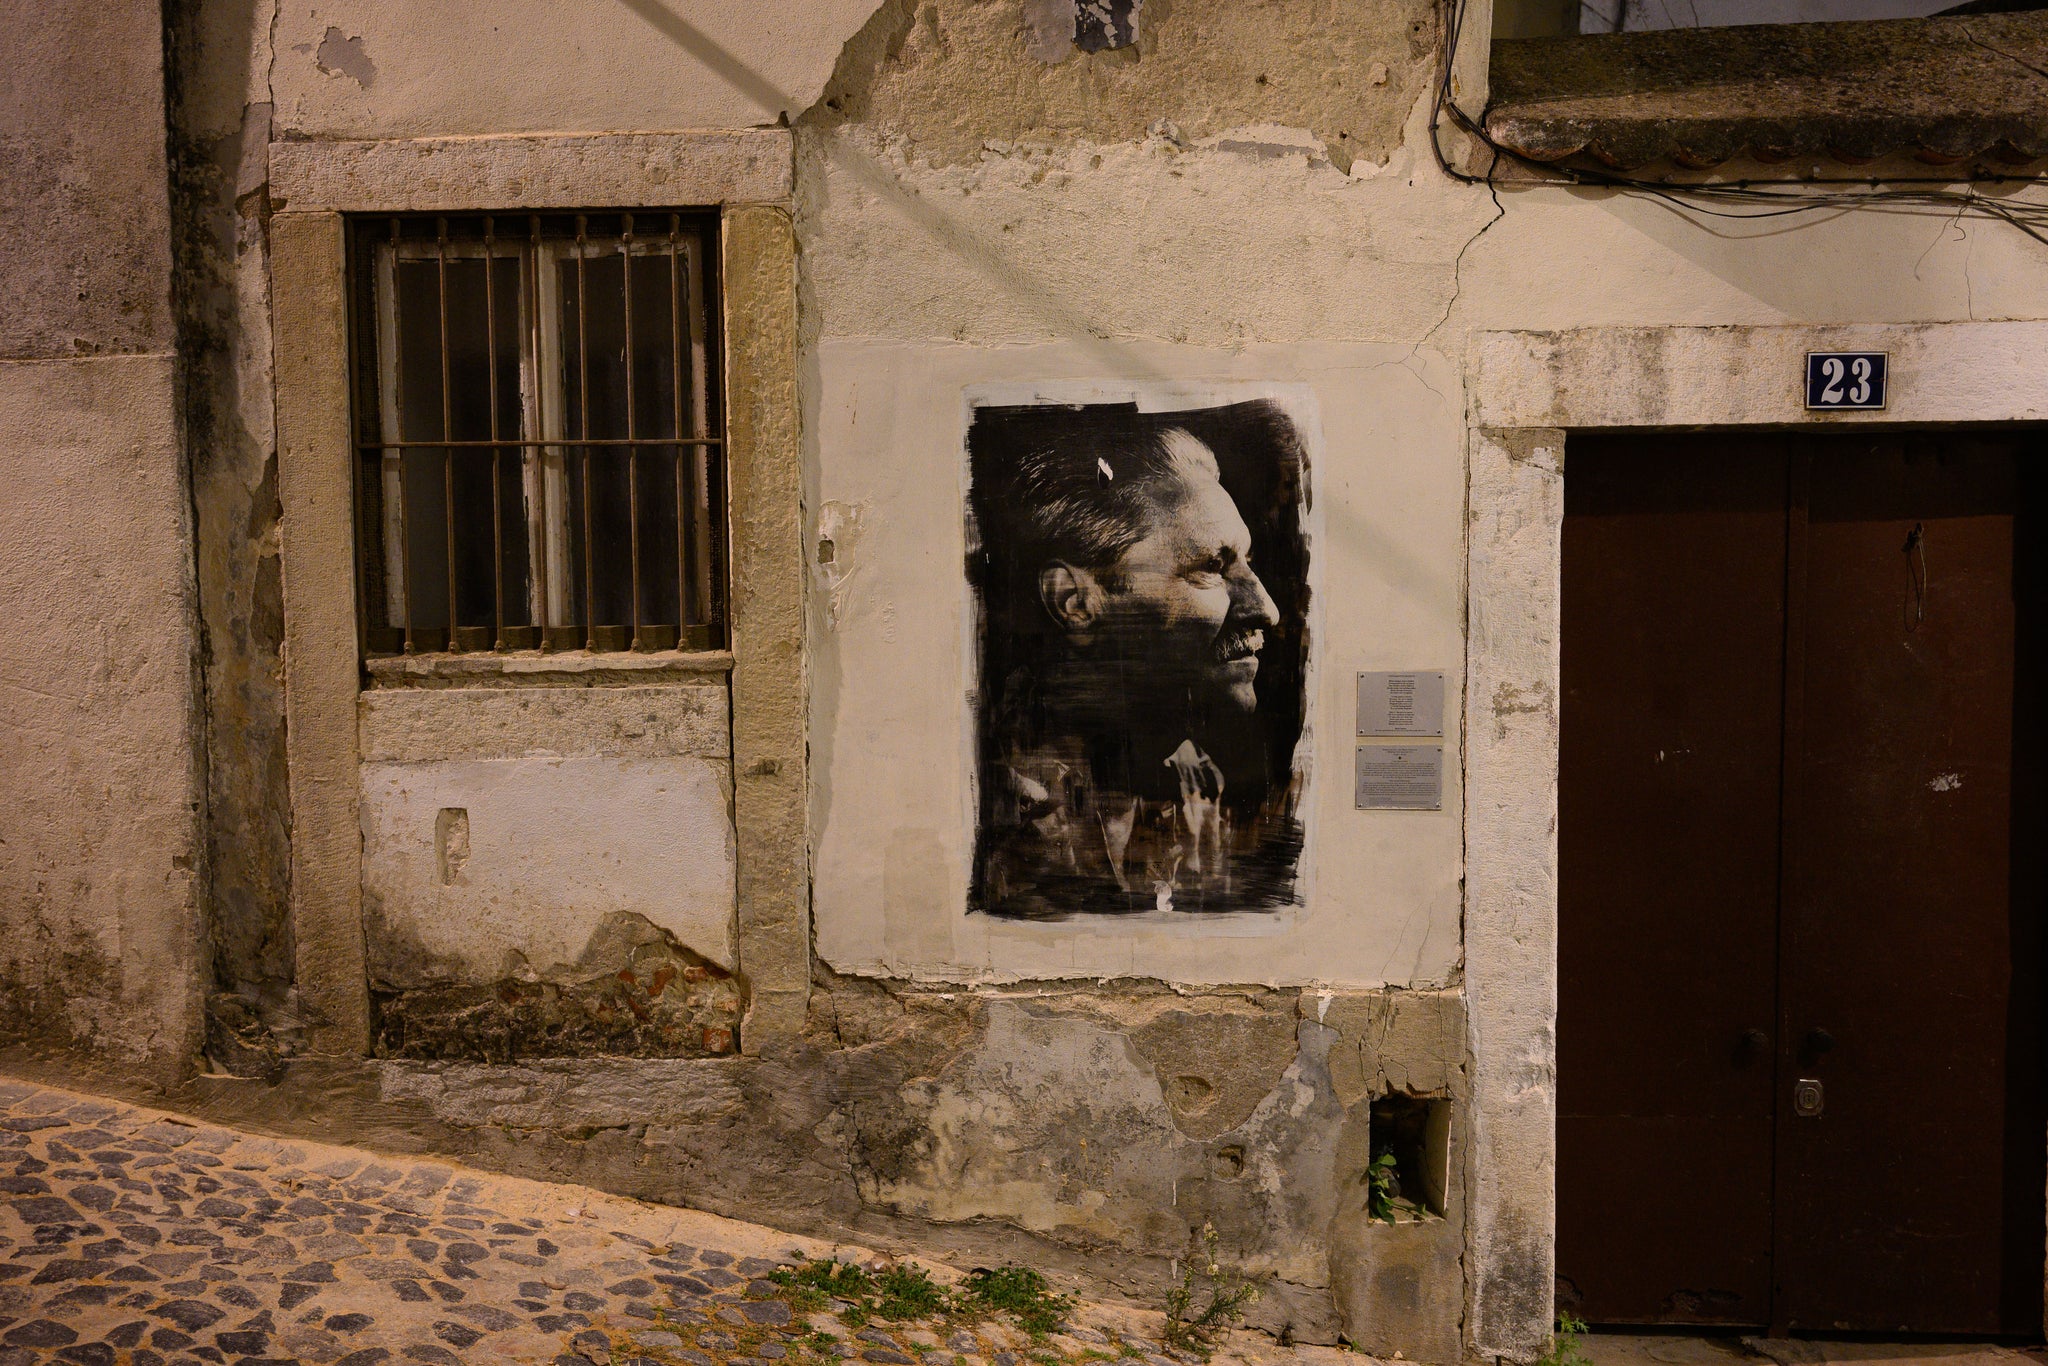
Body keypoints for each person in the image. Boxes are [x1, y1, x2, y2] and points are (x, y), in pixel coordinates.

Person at [974, 422, 1286, 917]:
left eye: (1245, 563)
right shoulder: (985, 812)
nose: (1267, 609)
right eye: (1211, 566)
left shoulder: (1196, 783)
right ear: (1075, 602)